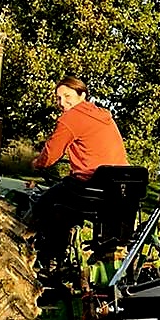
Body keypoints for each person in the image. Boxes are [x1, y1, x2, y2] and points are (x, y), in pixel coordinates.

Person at [26, 76, 128, 265]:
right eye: (58, 98)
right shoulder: (102, 115)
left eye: (67, 96)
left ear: (82, 95)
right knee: (60, 199)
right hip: (118, 184)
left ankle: (51, 257)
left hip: (89, 184)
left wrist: (37, 163)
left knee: (42, 204)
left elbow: (50, 154)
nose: (61, 103)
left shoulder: (71, 118)